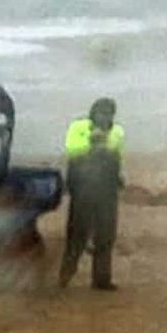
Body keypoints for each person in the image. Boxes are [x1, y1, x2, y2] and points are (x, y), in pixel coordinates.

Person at [60, 97, 126, 290]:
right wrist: (92, 143)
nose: (104, 117)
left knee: (106, 235)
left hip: (107, 189)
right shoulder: (78, 127)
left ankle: (101, 279)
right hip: (82, 189)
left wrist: (118, 175)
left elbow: (117, 155)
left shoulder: (117, 132)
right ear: (92, 113)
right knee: (77, 234)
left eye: (108, 113)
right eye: (100, 113)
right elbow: (72, 149)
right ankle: (64, 275)